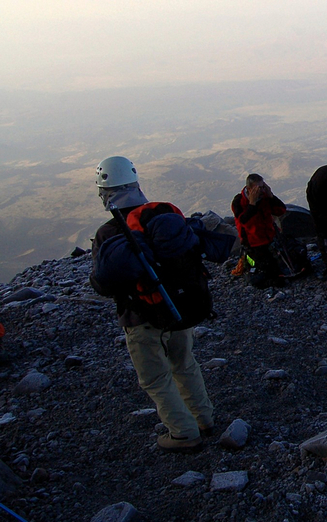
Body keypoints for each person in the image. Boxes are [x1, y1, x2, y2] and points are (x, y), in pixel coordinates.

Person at [89, 156, 216, 453]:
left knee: (156, 378)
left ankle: (184, 434)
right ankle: (204, 419)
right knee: (184, 364)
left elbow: (102, 284)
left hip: (140, 318)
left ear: (105, 192)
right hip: (180, 307)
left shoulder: (109, 233)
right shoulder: (161, 219)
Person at [231, 173, 287, 288]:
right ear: (249, 189)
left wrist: (271, 196)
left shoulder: (265, 198)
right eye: (258, 188)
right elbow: (244, 221)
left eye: (262, 187)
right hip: (253, 243)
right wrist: (252, 204)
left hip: (269, 238)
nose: (261, 190)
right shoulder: (239, 202)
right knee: (273, 274)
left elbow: (281, 210)